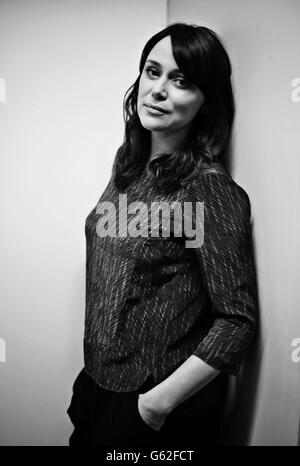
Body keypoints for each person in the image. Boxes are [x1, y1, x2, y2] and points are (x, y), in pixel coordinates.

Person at [67, 22, 258, 448]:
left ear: (206, 102)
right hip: (96, 390)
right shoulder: (129, 165)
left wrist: (153, 406)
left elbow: (236, 321)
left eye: (182, 81)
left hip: (153, 411)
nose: (158, 90)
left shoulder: (208, 188)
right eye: (152, 73)